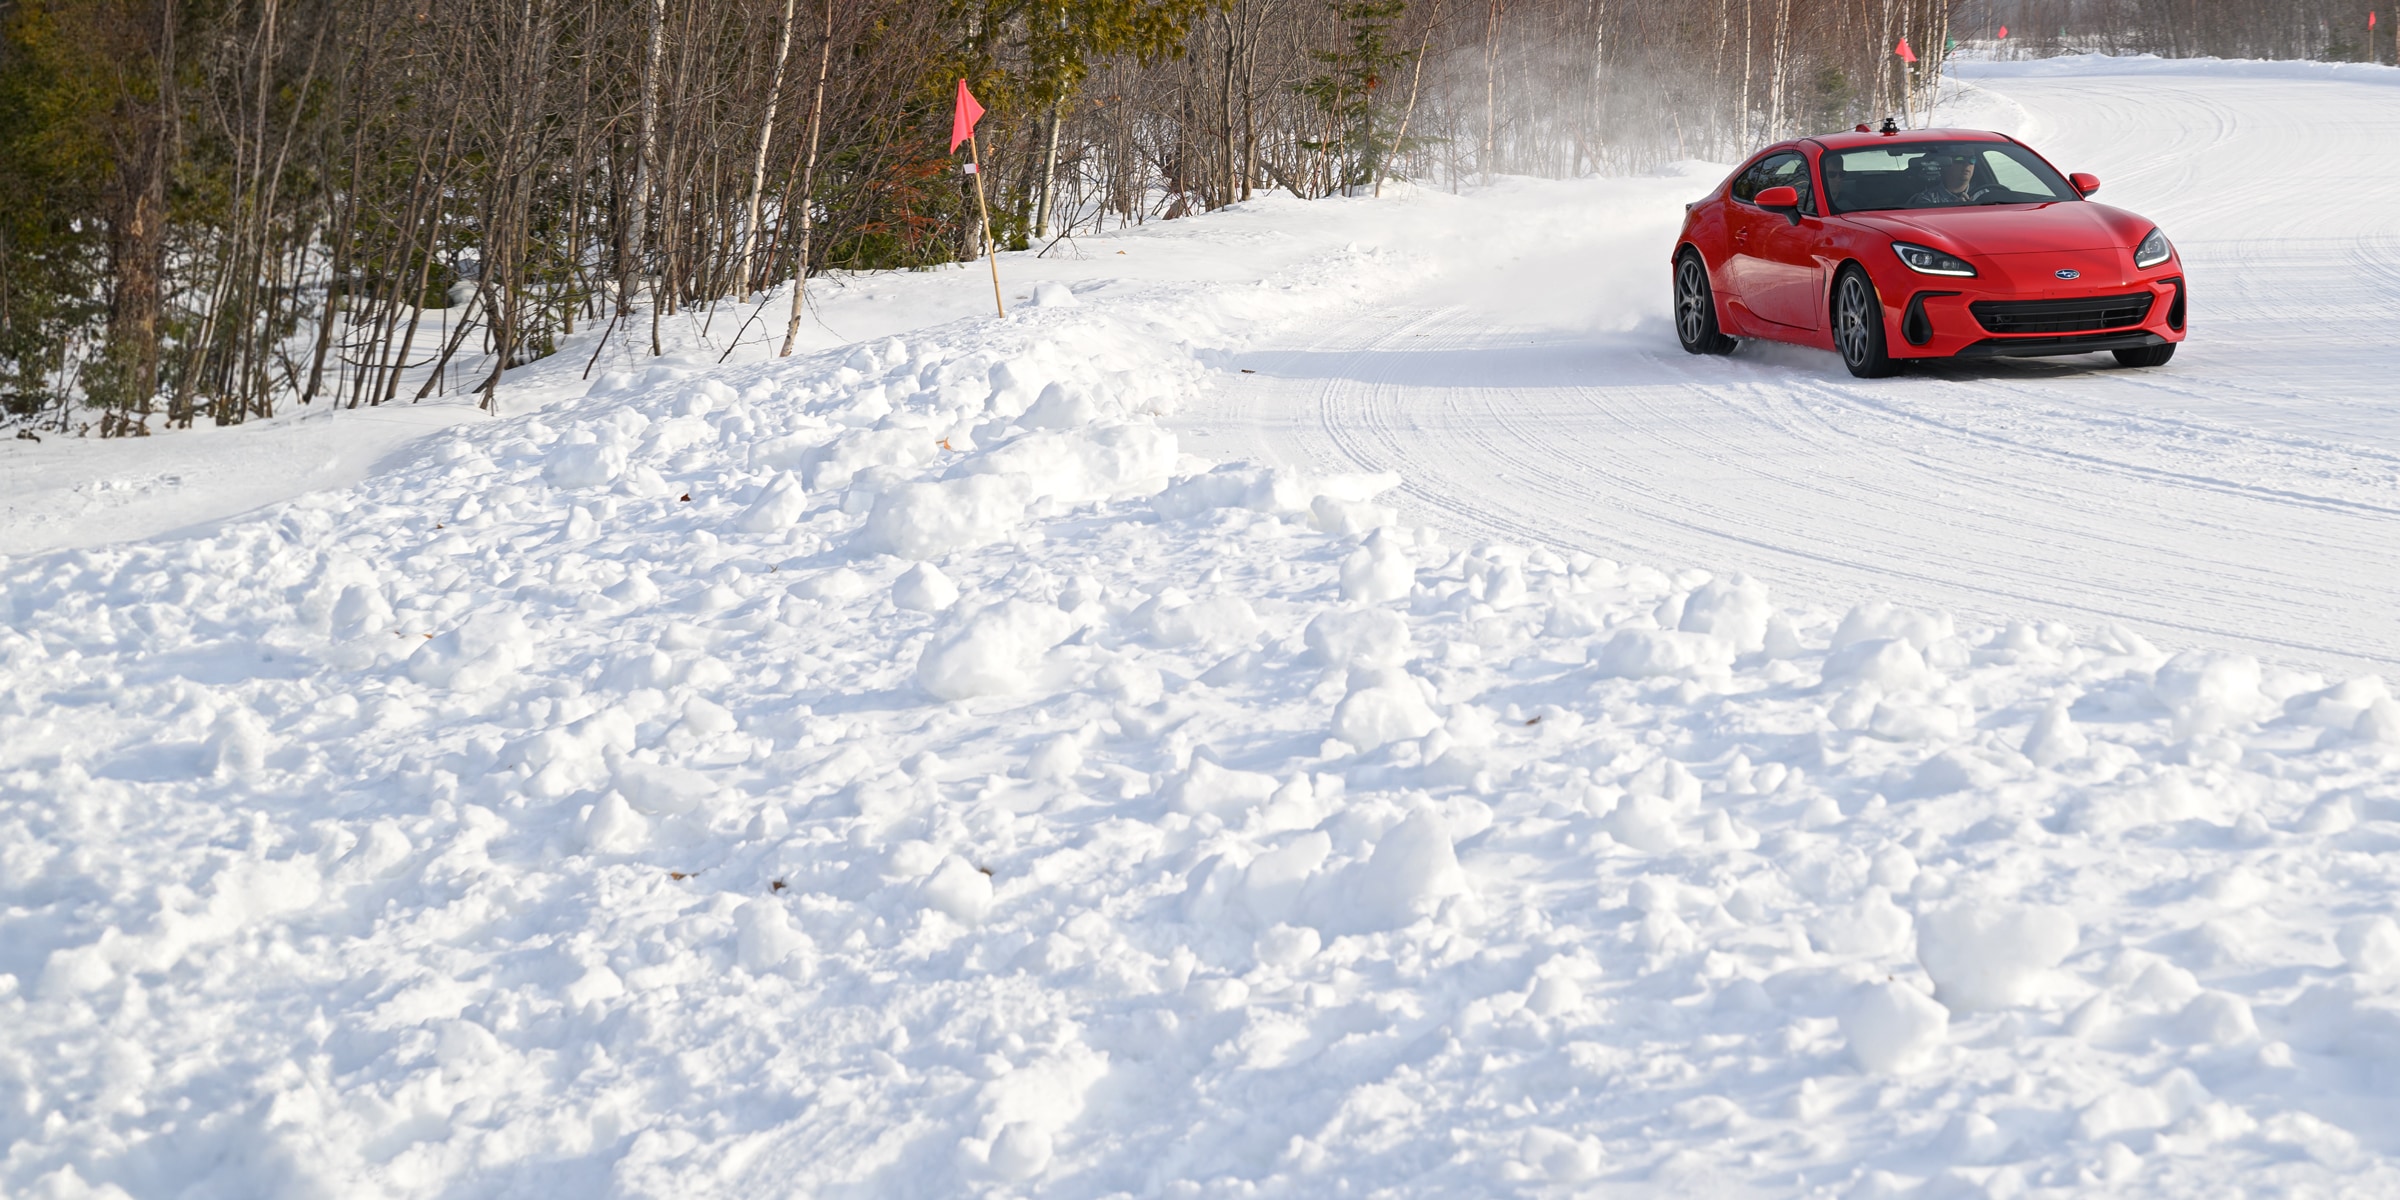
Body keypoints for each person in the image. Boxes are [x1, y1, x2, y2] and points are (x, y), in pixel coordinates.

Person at [1908, 151, 1998, 206]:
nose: (1967, 164)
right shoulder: (1928, 199)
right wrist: (1953, 208)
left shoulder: (1986, 195)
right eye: (1960, 159)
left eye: (1972, 159)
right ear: (1945, 165)